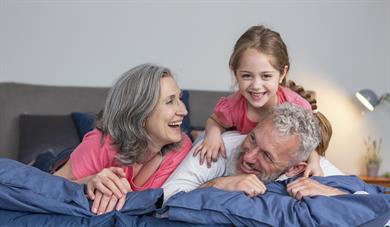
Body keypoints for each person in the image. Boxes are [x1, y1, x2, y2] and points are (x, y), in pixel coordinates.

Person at [54, 63, 192, 215]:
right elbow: (50, 186)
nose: (184, 111)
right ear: (140, 113)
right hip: (65, 160)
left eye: (179, 98)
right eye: (170, 101)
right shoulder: (101, 144)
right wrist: (87, 184)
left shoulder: (182, 146)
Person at [193, 25, 324, 177]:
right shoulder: (233, 106)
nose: (256, 86)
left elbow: (306, 145)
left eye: (266, 76)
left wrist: (314, 161)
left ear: (282, 73)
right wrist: (213, 135)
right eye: (247, 76)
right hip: (241, 163)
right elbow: (215, 121)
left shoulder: (296, 107)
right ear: (235, 73)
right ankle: (197, 134)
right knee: (201, 141)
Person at [162, 103, 345, 203]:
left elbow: (368, 203)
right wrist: (219, 184)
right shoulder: (219, 147)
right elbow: (163, 198)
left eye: (266, 156)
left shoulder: (314, 169)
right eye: (252, 139)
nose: (248, 157)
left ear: (295, 168)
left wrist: (334, 193)